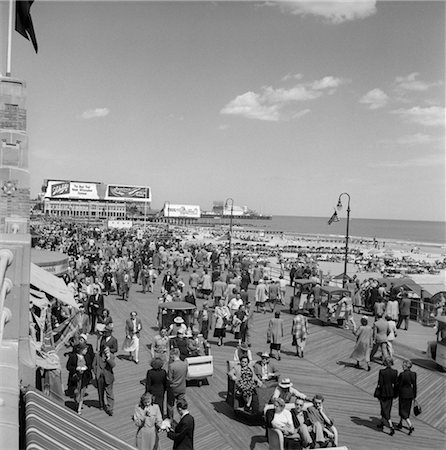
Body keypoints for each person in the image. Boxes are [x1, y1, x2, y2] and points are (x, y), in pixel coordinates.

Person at [66, 342, 93, 414]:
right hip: (75, 377)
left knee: (82, 392)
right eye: (85, 349)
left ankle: (79, 409)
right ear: (81, 350)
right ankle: (76, 403)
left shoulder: (87, 356)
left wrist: (87, 368)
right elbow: (68, 367)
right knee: (76, 392)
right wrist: (76, 368)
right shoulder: (73, 357)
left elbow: (90, 365)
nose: (86, 351)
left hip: (84, 377)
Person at [375, 357, 398, 435]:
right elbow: (395, 384)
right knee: (386, 408)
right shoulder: (395, 372)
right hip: (391, 392)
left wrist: (378, 393)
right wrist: (395, 393)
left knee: (385, 409)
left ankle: (391, 426)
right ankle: (382, 422)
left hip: (383, 392)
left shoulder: (382, 372)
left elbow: (380, 383)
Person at [93, 346, 116, 416]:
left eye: (108, 350)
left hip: (108, 377)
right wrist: (96, 372)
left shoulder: (111, 356)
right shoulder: (97, 355)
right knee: (100, 392)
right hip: (100, 376)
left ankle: (110, 408)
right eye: (105, 350)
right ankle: (101, 405)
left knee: (109, 393)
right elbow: (94, 364)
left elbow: (113, 365)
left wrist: (108, 358)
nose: (107, 351)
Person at [396, 359, 417, 435]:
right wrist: (414, 395)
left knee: (402, 410)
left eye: (403, 365)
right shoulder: (414, 374)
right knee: (406, 409)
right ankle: (400, 423)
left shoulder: (402, 374)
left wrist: (396, 393)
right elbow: (414, 386)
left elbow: (399, 385)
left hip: (403, 394)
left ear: (406, 366)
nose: (402, 366)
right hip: (410, 394)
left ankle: (410, 425)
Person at [167, 348, 188, 420]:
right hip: (182, 387)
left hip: (173, 388)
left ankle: (171, 419)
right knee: (181, 404)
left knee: (170, 405)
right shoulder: (185, 364)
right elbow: (186, 375)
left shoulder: (171, 366)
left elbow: (170, 379)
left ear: (173, 356)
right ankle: (183, 417)